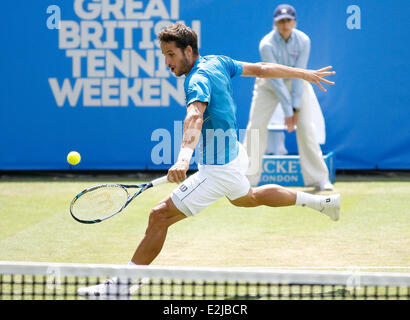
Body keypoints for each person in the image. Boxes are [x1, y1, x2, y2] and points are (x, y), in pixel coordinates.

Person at [78, 22, 339, 298]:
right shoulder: (218, 62)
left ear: (188, 51)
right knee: (247, 198)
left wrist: (182, 158)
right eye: (164, 55)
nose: (167, 62)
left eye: (171, 54)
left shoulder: (196, 79)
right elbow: (261, 69)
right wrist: (304, 74)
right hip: (236, 153)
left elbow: (195, 116)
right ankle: (322, 203)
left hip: (218, 170)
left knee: (159, 215)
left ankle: (120, 287)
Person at [243, 4, 334, 191]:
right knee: (255, 127)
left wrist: (296, 108)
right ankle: (247, 180)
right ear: (275, 23)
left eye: (288, 20)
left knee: (307, 128)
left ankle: (319, 179)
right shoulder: (266, 44)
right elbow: (275, 80)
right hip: (268, 85)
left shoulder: (303, 40)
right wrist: (288, 111)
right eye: (281, 21)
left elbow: (300, 75)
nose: (285, 24)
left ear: (295, 22)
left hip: (297, 83)